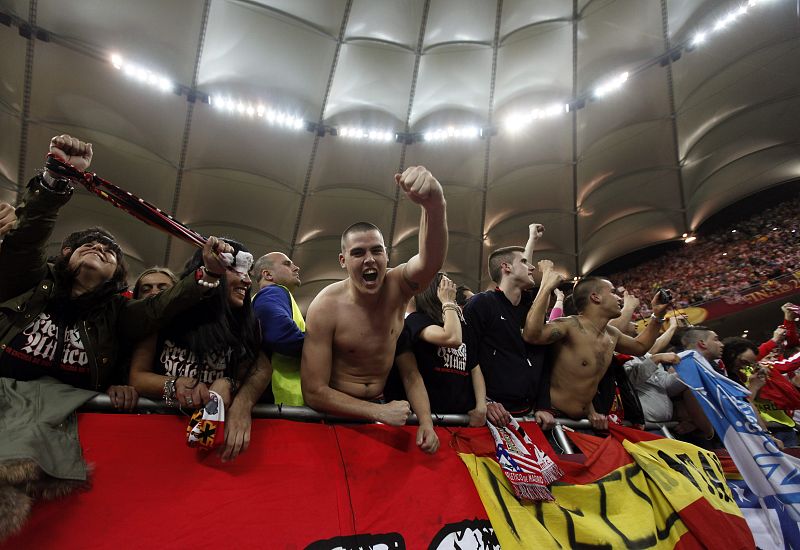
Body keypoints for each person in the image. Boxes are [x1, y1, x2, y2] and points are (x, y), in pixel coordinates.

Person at [301, 166, 447, 454]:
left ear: (386, 256)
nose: (369, 260)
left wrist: (434, 205)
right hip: (333, 417)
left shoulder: (398, 288)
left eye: (376, 251)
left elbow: (430, 262)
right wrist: (377, 412)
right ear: (343, 260)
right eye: (358, 253)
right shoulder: (326, 306)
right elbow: (314, 391)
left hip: (380, 410)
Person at [128, 239, 272, 461]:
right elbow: (137, 377)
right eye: (235, 270)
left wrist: (236, 394)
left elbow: (259, 366)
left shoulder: (245, 322)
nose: (246, 280)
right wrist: (174, 385)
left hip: (208, 446)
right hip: (153, 437)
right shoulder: (167, 314)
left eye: (248, 273)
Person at [523, 267, 671, 430]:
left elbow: (640, 346)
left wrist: (657, 315)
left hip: (587, 421)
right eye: (613, 292)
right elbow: (532, 335)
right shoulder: (569, 325)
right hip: (553, 419)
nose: (618, 298)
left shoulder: (612, 334)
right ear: (595, 297)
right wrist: (546, 287)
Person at [462, 222, 552, 429]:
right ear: (506, 267)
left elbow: (544, 361)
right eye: (524, 262)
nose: (532, 267)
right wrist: (483, 401)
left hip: (532, 416)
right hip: (492, 416)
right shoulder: (481, 304)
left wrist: (544, 405)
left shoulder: (532, 310)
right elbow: (466, 357)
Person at [405, 273, 486, 425]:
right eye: (446, 287)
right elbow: (452, 339)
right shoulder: (416, 320)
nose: (452, 290)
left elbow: (474, 367)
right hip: (429, 418)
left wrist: (481, 406)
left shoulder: (463, 326)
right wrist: (448, 302)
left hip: (462, 417)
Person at [251, 252, 304, 405]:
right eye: (287, 264)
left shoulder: (267, 297)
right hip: (283, 401)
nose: (296, 267)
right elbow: (280, 335)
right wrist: (324, 344)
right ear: (267, 274)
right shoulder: (273, 292)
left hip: (281, 402)